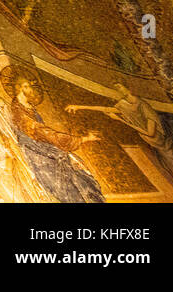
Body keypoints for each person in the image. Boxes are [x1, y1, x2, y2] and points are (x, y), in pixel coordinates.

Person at [6, 70, 104, 203]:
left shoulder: (29, 107)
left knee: (78, 170)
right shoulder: (18, 110)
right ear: (20, 88)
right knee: (65, 179)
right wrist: (81, 139)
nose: (31, 89)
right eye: (27, 86)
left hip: (43, 144)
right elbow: (42, 132)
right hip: (34, 150)